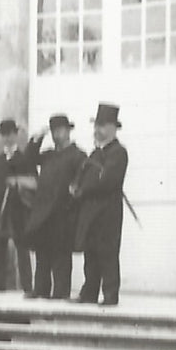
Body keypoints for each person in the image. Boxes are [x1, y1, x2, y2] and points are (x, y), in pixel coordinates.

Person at [70, 103, 131, 306]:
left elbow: (106, 181)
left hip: (108, 212)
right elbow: (84, 176)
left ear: (113, 128)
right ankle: (89, 293)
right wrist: (77, 186)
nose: (97, 130)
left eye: (102, 126)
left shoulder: (119, 152)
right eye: (96, 125)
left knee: (108, 252)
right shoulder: (95, 154)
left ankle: (111, 295)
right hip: (90, 211)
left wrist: (84, 188)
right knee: (91, 251)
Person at [23, 114, 87, 300]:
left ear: (68, 131)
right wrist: (37, 138)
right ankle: (40, 289)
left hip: (63, 213)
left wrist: (72, 200)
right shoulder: (48, 155)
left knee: (61, 256)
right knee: (42, 254)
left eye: (60, 130)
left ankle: (61, 292)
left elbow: (80, 181)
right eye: (53, 131)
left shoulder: (77, 155)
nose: (57, 134)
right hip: (44, 213)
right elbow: (28, 160)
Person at [0, 120, 35, 293]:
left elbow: (33, 183)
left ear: (16, 135)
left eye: (10, 134)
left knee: (22, 248)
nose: (7, 138)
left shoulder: (24, 159)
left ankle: (27, 287)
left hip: (18, 210)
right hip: (0, 210)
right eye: (4, 135)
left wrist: (17, 183)